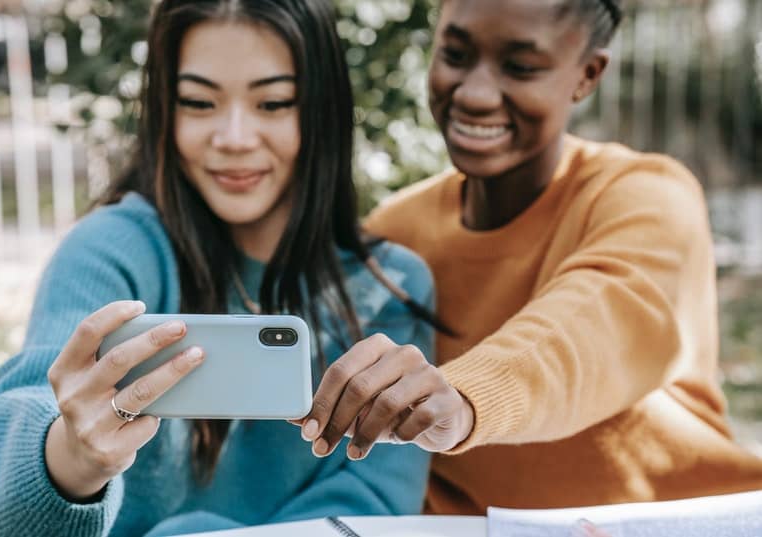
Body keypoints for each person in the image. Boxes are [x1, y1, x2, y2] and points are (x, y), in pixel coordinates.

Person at [0, 1, 437, 535]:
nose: (233, 137)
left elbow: (374, 499)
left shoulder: (394, 285)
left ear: (323, 110)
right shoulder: (111, 250)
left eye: (273, 102)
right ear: (166, 108)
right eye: (198, 102)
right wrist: (70, 458)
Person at [296, 0, 762, 513]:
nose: (473, 93)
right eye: (454, 54)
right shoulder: (394, 231)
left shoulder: (649, 195)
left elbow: (592, 325)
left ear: (587, 75)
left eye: (520, 68)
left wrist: (465, 397)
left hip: (673, 521)